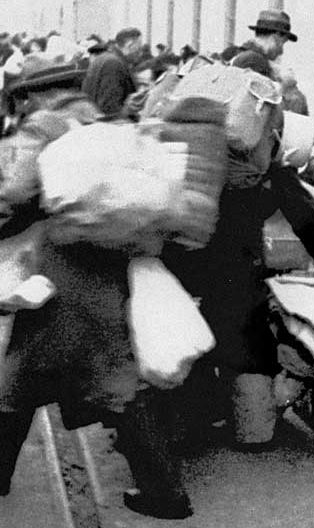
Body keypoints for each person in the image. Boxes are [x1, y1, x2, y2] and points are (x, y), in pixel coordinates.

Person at [0, 55, 192, 519]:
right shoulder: (117, 126)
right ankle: (165, 492)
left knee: (19, 380)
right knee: (115, 378)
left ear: (34, 94)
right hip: (112, 267)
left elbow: (15, 196)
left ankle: (167, 495)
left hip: (60, 267)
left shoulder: (45, 126)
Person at [161, 7, 314, 454]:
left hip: (183, 258)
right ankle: (251, 432)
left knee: (185, 339)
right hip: (236, 263)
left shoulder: (195, 151)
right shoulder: (266, 167)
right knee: (246, 343)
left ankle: (185, 430)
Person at [81, 27, 142, 119]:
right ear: (130, 45)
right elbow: (110, 109)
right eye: (139, 48)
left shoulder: (105, 58)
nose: (140, 53)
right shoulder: (114, 64)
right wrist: (130, 109)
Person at [231, 8, 297, 77]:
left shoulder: (231, 52)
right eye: (282, 43)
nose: (281, 52)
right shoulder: (257, 62)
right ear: (275, 38)